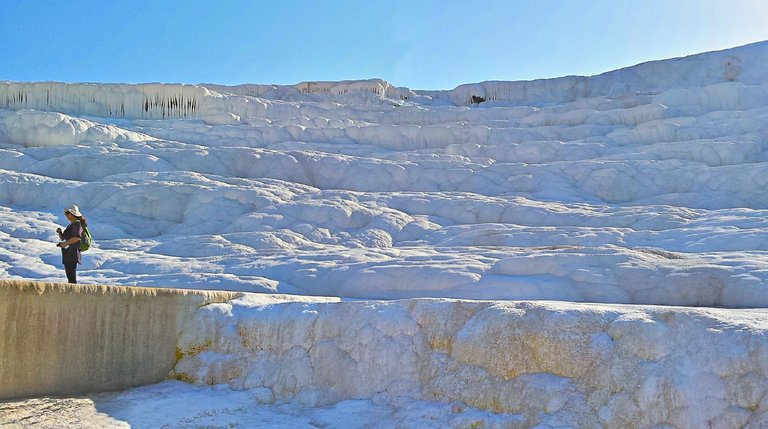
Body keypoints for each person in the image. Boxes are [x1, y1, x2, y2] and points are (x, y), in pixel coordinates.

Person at [56, 205, 86, 284]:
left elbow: (77, 237)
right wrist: (60, 233)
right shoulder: (71, 225)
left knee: (71, 277)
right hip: (68, 253)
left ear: (73, 214)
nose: (66, 215)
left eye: (67, 213)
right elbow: (64, 238)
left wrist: (65, 244)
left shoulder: (77, 224)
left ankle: (74, 294)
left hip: (72, 253)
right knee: (70, 276)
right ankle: (73, 293)